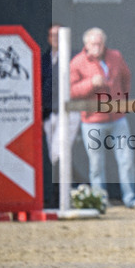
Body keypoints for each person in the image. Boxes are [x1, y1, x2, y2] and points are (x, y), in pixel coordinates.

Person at [69, 27, 135, 211]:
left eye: (100, 43)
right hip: (92, 121)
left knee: (126, 160)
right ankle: (100, 201)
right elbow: (71, 91)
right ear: (86, 45)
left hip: (118, 118)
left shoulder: (116, 56)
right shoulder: (77, 63)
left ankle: (130, 198)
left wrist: (123, 99)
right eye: (94, 43)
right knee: (96, 165)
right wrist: (91, 83)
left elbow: (127, 77)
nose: (98, 47)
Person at [41, 23, 81, 182]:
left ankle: (70, 190)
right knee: (53, 155)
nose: (55, 39)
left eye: (59, 35)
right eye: (52, 35)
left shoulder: (75, 58)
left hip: (69, 111)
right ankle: (74, 188)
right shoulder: (44, 59)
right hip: (49, 113)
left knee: (60, 152)